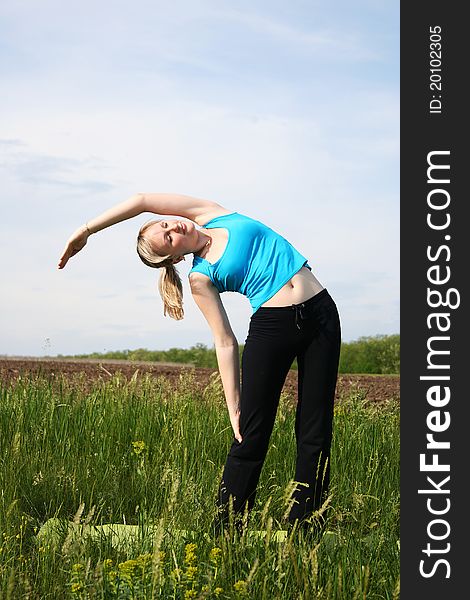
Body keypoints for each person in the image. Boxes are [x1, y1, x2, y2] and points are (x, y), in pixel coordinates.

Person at [58, 193, 341, 531]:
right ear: (175, 256)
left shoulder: (214, 215)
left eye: (165, 224)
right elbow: (224, 341)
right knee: (250, 436)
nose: (172, 226)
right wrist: (233, 405)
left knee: (316, 429)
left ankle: (306, 531)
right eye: (167, 238)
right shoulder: (200, 276)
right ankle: (226, 533)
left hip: (322, 313)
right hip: (272, 326)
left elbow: (143, 199)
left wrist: (87, 229)